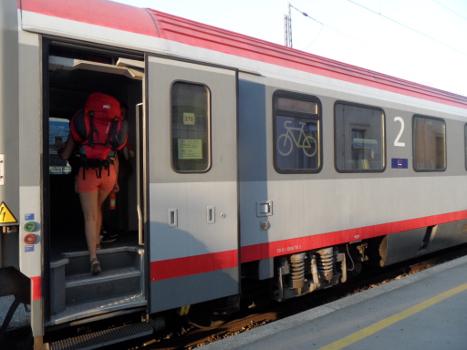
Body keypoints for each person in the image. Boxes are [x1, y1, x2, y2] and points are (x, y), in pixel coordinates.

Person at [54, 110, 121, 276]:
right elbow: (116, 157)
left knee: (90, 215)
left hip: (88, 173)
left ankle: (94, 258)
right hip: (109, 173)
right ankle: (97, 241)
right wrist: (116, 181)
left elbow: (65, 156)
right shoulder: (110, 128)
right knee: (98, 206)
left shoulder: (79, 130)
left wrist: (59, 149)